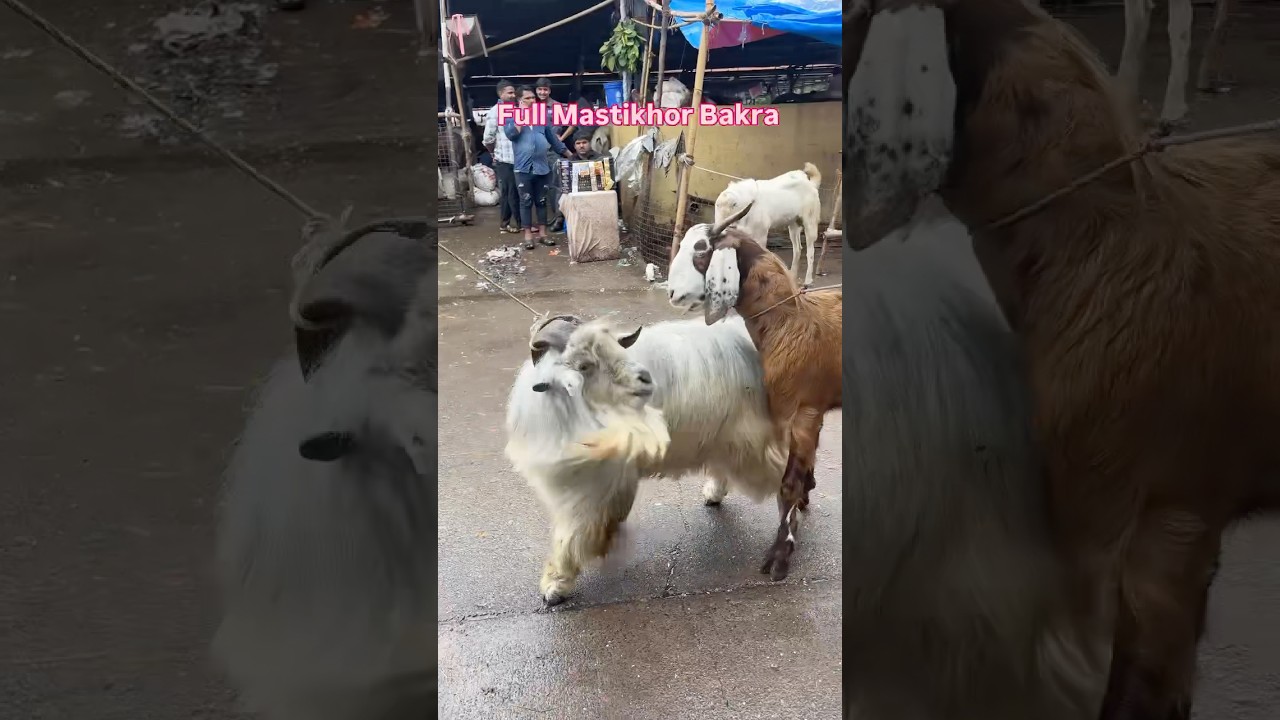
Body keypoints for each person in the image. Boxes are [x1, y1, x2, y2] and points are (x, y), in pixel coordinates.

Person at [504, 85, 573, 250]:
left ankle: (543, 235)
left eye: (533, 98)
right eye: (528, 98)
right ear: (520, 100)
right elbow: (511, 135)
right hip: (523, 168)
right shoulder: (511, 117)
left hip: (542, 167)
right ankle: (528, 236)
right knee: (526, 201)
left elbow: (554, 141)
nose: (532, 101)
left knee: (541, 201)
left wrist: (570, 155)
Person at [482, 79, 522, 234]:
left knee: (508, 193)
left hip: (519, 158)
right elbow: (488, 139)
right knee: (512, 193)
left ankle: (504, 224)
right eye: (509, 92)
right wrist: (493, 153)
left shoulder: (518, 110)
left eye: (514, 92)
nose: (513, 95)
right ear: (501, 94)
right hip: (505, 159)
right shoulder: (495, 112)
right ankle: (519, 224)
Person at [535, 77, 573, 232]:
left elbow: (572, 123)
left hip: (553, 150)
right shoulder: (533, 107)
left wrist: (561, 138)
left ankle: (559, 218)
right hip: (537, 150)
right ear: (536, 91)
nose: (542, 92)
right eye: (539, 89)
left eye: (545, 89)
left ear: (549, 90)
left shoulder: (557, 106)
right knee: (543, 185)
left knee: (556, 183)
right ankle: (551, 217)